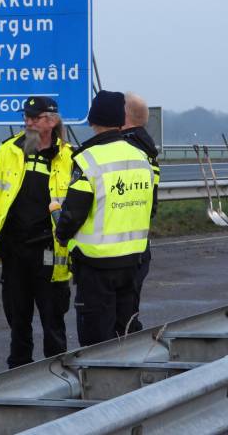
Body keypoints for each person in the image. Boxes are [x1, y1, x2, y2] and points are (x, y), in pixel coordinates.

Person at [0, 96, 74, 369]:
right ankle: (18, 375)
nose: (28, 121)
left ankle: (58, 375)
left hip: (50, 252)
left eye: (35, 117)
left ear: (51, 121)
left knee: (53, 320)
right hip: (15, 250)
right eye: (26, 116)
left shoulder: (68, 157)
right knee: (18, 320)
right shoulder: (12, 151)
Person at [55, 90, 155, 347]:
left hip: (96, 264)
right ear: (121, 121)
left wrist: (61, 233)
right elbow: (150, 206)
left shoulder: (88, 159)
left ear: (92, 120)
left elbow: (73, 212)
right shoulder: (141, 157)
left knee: (96, 342)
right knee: (126, 332)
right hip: (133, 260)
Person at [121, 92, 160, 332]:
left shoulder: (127, 149)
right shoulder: (147, 149)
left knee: (120, 317)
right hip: (138, 242)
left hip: (119, 246)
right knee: (129, 310)